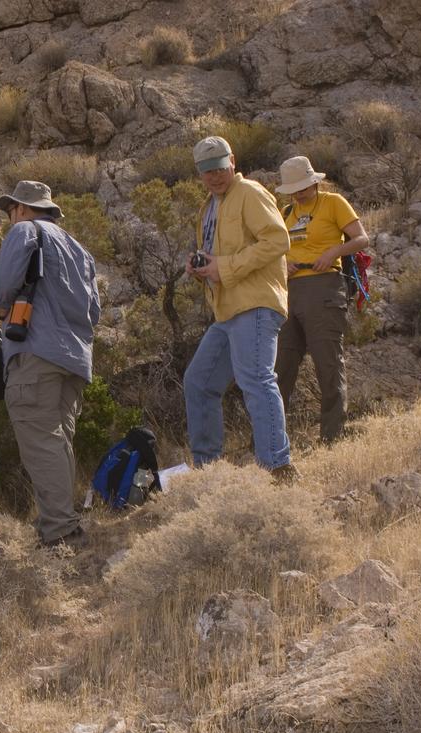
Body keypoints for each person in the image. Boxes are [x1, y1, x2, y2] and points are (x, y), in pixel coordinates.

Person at [0, 180, 100, 547]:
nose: (10, 218)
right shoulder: (80, 250)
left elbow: (4, 288)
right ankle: (62, 522)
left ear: (21, 208)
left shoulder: (24, 230)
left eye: (10, 211)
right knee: (58, 441)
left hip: (35, 352)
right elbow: (95, 311)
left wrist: (1, 306)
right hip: (74, 358)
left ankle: (60, 531)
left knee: (40, 442)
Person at [184, 135, 296, 479]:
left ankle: (278, 468)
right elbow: (218, 256)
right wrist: (201, 266)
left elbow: (278, 240)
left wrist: (224, 267)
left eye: (220, 168)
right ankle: (208, 472)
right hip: (227, 310)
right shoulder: (208, 206)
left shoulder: (250, 192)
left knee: (257, 380)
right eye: (207, 171)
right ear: (199, 173)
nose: (215, 176)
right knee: (198, 382)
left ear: (232, 161)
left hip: (256, 303)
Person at [273, 155, 370, 443]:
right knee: (281, 369)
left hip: (325, 288)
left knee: (327, 364)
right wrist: (282, 263)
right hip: (289, 293)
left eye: (304, 187)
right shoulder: (285, 213)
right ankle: (272, 442)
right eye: (294, 189)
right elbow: (272, 249)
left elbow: (361, 239)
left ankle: (332, 438)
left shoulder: (333, 203)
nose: (300, 193)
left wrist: (333, 253)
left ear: (315, 181)